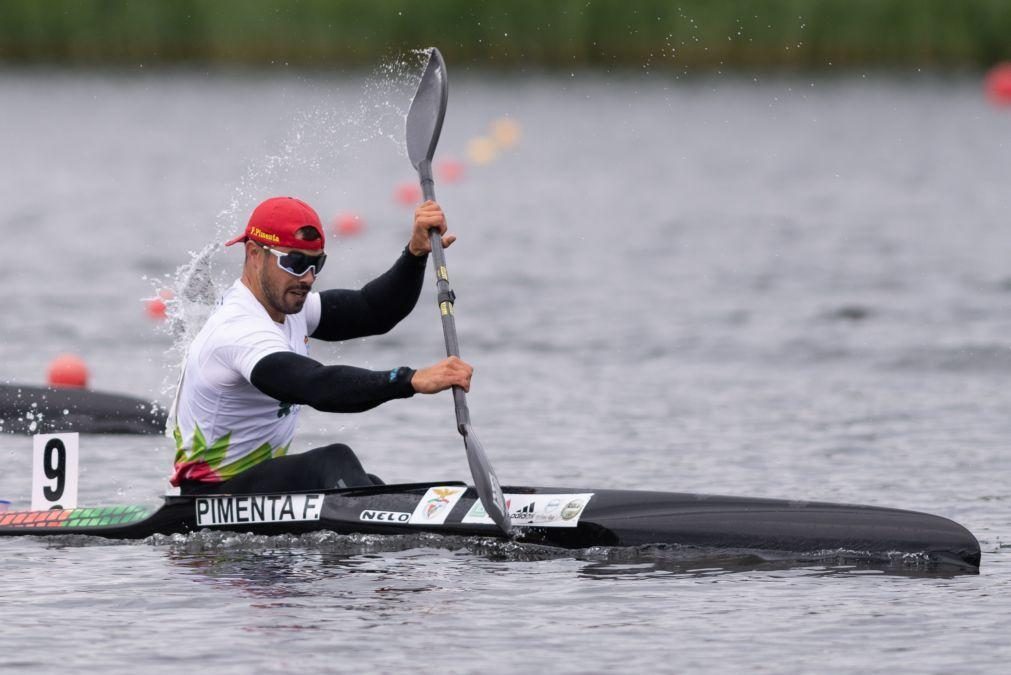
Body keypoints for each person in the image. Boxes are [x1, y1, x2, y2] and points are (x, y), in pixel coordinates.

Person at [168, 196, 473, 495]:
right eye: (295, 262)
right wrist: (409, 379)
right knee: (333, 461)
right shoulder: (238, 329)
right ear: (254, 254)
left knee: (367, 483)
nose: (308, 278)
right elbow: (315, 385)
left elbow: (373, 310)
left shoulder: (289, 307)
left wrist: (415, 254)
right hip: (210, 497)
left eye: (316, 264)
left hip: (255, 485)